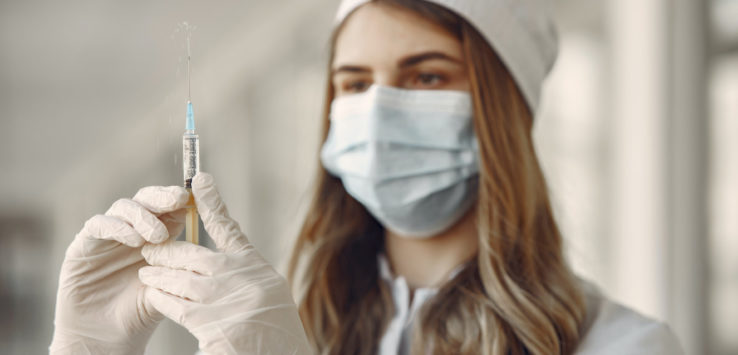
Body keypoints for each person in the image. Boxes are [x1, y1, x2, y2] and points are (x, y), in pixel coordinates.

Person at [49, 0, 685, 354]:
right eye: (353, 83)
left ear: (503, 111)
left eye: (426, 75)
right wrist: (91, 351)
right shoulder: (273, 326)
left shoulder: (625, 347)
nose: (378, 109)